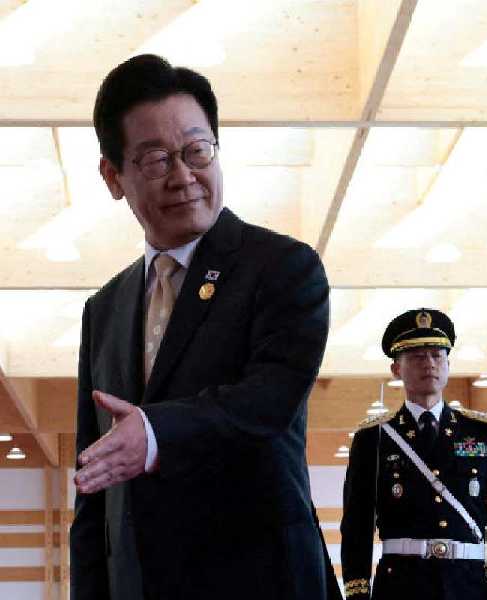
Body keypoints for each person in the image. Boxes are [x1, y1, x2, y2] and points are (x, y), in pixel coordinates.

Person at [70, 54, 337, 600]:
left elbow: (267, 401)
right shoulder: (104, 309)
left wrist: (154, 433)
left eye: (197, 151)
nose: (183, 176)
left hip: (258, 580)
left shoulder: (282, 268)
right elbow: (92, 486)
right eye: (155, 159)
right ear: (112, 175)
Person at [340, 308, 487, 599]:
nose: (430, 364)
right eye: (417, 357)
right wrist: (358, 592)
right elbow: (357, 525)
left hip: (468, 586)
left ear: (448, 364)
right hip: (401, 586)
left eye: (437, 356)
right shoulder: (373, 438)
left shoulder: (485, 434)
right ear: (396, 369)